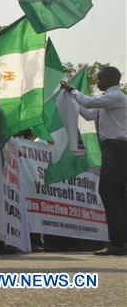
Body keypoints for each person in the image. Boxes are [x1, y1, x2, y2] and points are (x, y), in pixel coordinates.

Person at [62, 66, 127, 256]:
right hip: (111, 148)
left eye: (100, 78)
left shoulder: (117, 96)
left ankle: (117, 242)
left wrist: (73, 91)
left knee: (108, 191)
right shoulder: (107, 100)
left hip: (117, 148)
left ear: (110, 79)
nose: (97, 82)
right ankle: (121, 241)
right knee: (117, 195)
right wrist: (72, 101)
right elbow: (89, 114)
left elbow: (89, 102)